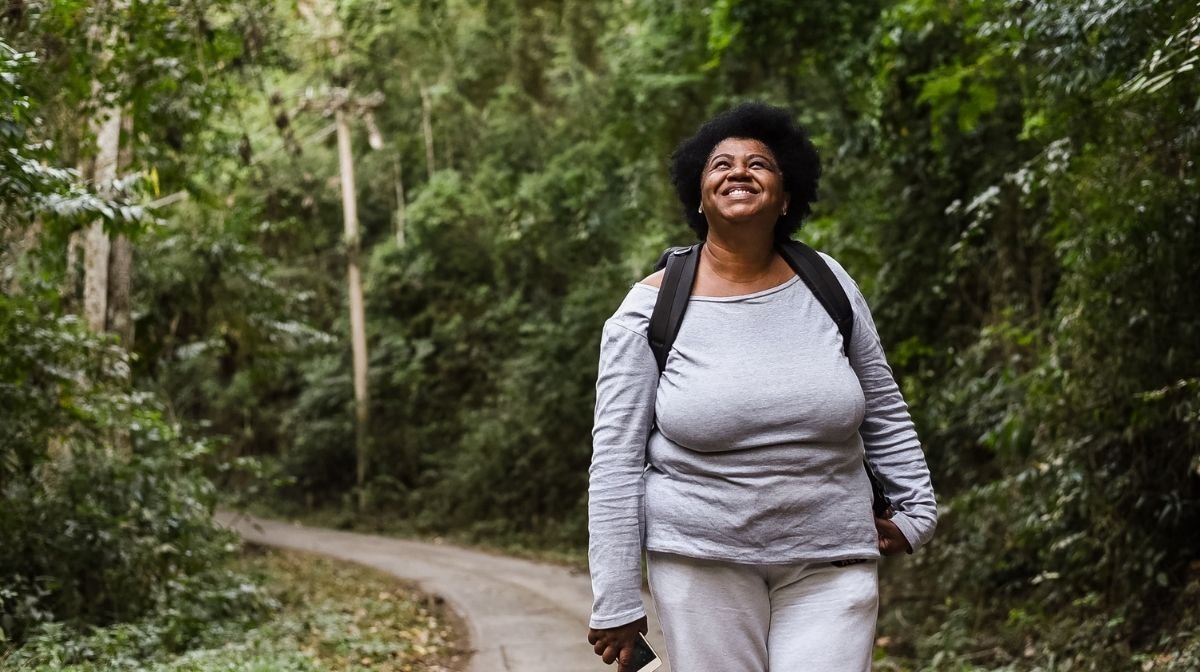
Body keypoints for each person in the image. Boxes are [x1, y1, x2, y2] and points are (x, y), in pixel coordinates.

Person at [585, 102, 937, 672]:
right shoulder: (650, 307)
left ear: (787, 194)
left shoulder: (830, 284)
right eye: (720, 164)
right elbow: (616, 459)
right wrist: (616, 595)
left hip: (832, 556)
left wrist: (917, 509)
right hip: (700, 561)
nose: (739, 171)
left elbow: (883, 404)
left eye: (760, 163)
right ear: (700, 197)